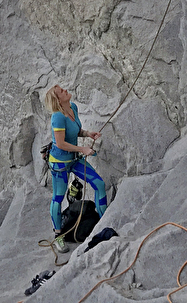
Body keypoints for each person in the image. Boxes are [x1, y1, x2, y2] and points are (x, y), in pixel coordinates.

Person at [44, 84, 109, 252]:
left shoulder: (73, 107)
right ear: (58, 100)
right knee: (58, 198)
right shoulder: (57, 117)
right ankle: (58, 235)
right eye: (62, 92)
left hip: (73, 159)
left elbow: (74, 131)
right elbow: (60, 143)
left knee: (99, 185)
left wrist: (87, 134)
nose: (66, 90)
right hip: (60, 163)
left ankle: (104, 223)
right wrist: (83, 149)